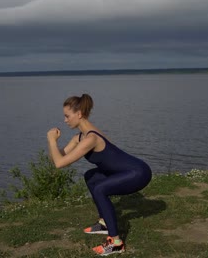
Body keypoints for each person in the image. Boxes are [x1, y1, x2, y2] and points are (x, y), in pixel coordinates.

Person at [46, 93, 152, 256]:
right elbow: (58, 158)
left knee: (100, 189)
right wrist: (52, 143)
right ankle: (104, 223)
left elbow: (60, 164)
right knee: (91, 176)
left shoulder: (91, 139)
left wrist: (52, 140)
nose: (65, 120)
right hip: (126, 170)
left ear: (79, 114)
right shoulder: (80, 137)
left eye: (67, 116)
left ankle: (116, 242)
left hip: (139, 173)